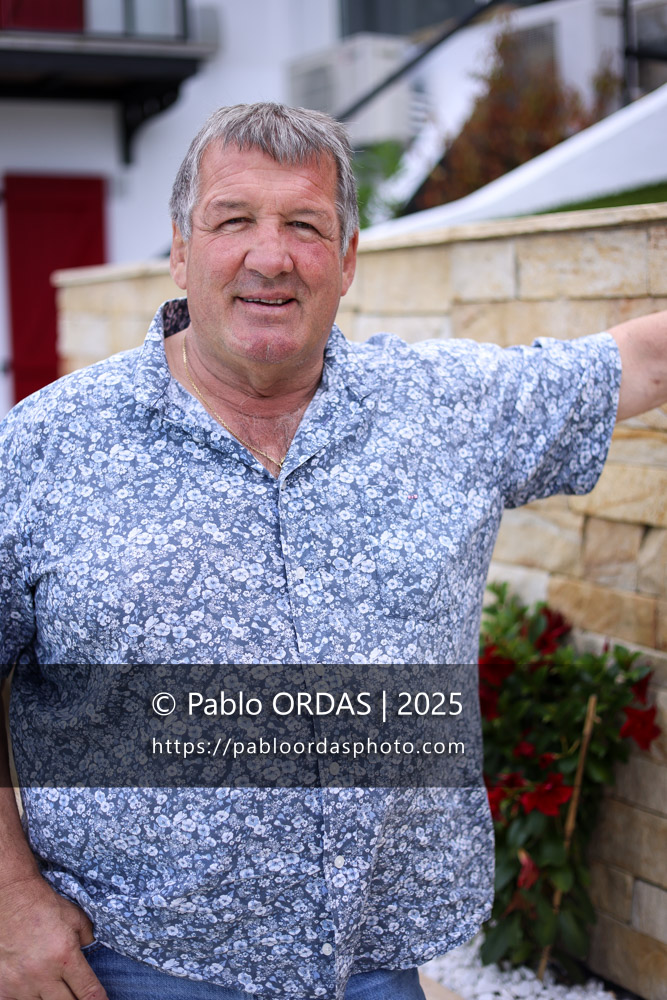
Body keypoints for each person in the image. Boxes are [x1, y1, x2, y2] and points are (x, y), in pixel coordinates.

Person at [0, 101, 666, 1000]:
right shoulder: (43, 450)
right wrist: (9, 899)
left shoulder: (444, 411)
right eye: (233, 220)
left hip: (372, 968)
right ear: (180, 249)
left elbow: (639, 362)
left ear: (346, 258)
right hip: (129, 962)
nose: (269, 256)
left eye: (304, 226)